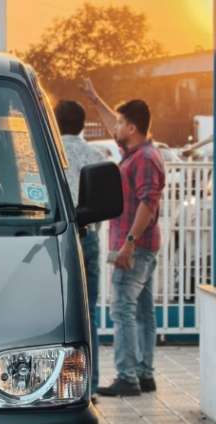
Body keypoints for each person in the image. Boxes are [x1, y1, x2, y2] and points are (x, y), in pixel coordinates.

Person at [81, 79, 165, 397]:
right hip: (144, 244)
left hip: (135, 246)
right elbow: (112, 122)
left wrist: (128, 244)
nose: (114, 126)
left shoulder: (144, 159)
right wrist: (94, 97)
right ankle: (144, 374)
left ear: (131, 127)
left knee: (123, 309)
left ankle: (127, 377)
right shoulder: (137, 152)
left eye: (120, 122)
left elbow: (148, 202)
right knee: (143, 310)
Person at [54, 100, 106, 398]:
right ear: (83, 125)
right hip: (90, 238)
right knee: (90, 315)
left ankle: (69, 387)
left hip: (59, 238)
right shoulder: (95, 155)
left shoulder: (48, 153)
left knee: (61, 318)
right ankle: (92, 385)